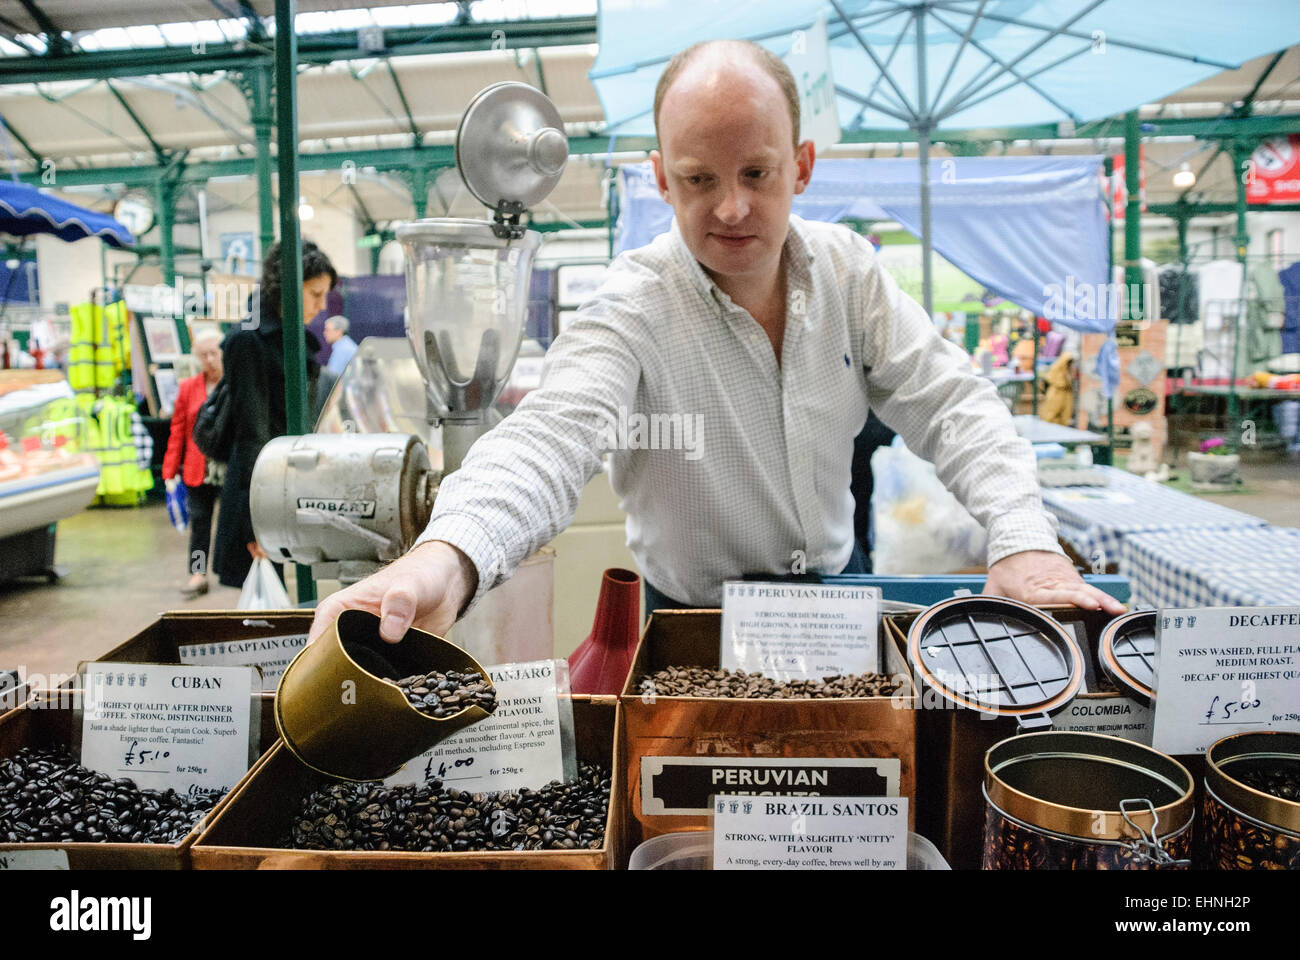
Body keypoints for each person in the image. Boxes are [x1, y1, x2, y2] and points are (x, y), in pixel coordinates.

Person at [310, 40, 1124, 645]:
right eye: (700, 179)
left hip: (837, 607)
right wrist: (445, 556)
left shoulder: (850, 275)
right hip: (686, 624)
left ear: (801, 166)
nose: (731, 208)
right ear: (661, 177)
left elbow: (953, 404)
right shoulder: (632, 303)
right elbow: (549, 440)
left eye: (757, 174)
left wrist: (1024, 540)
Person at [213, 240, 337, 590]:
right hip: (260, 494)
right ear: (287, 288)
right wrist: (257, 525)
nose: (322, 305)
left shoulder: (291, 339)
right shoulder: (248, 342)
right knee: (265, 614)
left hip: (286, 485)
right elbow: (252, 435)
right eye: (315, 293)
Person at [162, 326, 224, 599]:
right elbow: (177, 431)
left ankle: (243, 571)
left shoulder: (235, 384)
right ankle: (198, 574)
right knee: (200, 523)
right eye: (203, 355)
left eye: (214, 353)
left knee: (235, 524)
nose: (209, 359)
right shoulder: (188, 388)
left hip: (230, 467)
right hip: (197, 468)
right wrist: (170, 470)